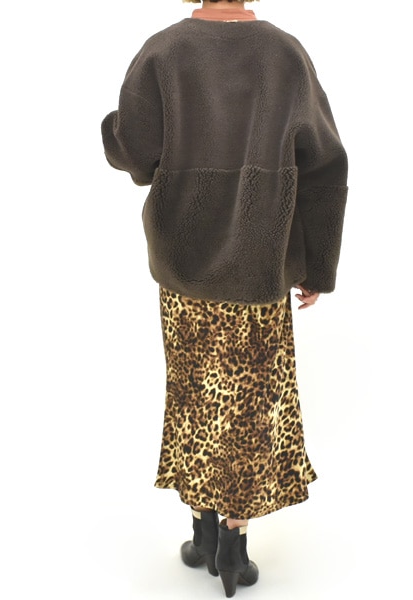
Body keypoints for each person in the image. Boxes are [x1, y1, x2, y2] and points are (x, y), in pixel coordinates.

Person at [101, 0, 348, 596]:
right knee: (250, 404)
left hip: (184, 268)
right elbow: (324, 166)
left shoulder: (163, 51)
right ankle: (234, 549)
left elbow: (131, 151)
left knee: (193, 395)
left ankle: (202, 530)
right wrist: (317, 266)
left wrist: (114, 128)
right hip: (259, 268)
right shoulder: (285, 54)